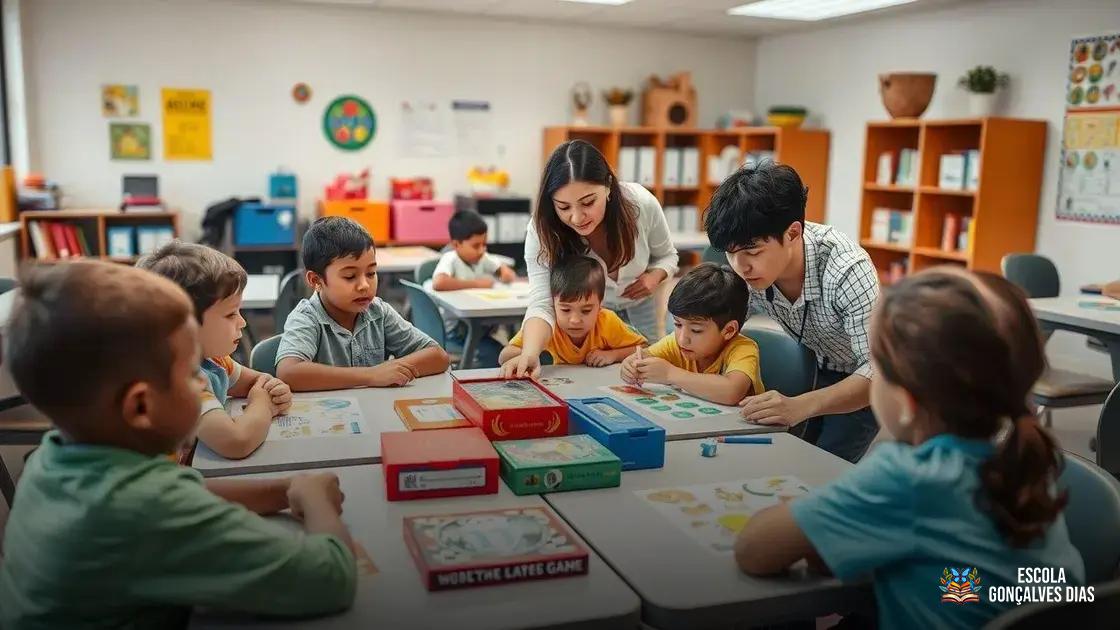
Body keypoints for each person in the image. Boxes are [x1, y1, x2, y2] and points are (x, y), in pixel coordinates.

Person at [0, 261, 356, 629]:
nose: (202, 385)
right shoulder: (143, 510)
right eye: (191, 375)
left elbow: (182, 488)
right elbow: (330, 578)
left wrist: (285, 489)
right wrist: (315, 499)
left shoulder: (53, 457)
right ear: (141, 406)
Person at [735, 268, 1085, 628]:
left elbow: (754, 551)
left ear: (905, 401)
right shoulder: (1024, 453)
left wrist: (811, 515)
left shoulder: (908, 474)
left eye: (876, 369)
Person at [706, 162, 880, 462]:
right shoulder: (748, 268)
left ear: (793, 233)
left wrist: (801, 406)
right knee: (776, 460)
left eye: (752, 252)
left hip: (858, 384)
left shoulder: (848, 271)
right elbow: (713, 326)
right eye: (731, 253)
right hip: (810, 368)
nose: (740, 266)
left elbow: (878, 372)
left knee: (820, 469)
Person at [502, 139, 678, 378]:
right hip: (591, 315)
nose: (576, 218)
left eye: (588, 203)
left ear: (607, 186)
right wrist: (531, 353)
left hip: (640, 303)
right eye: (563, 207)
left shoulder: (641, 204)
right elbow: (542, 301)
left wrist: (655, 277)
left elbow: (667, 255)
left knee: (647, 373)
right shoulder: (542, 229)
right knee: (592, 379)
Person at [138, 241, 292, 460]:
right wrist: (263, 405)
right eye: (231, 315)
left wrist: (274, 389)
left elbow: (256, 382)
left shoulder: (214, 361)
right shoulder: (177, 382)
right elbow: (237, 442)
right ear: (184, 327)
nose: (242, 323)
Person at [276, 216, 450, 391]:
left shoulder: (378, 312)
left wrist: (390, 370)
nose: (364, 285)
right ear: (316, 280)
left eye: (371, 273)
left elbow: (438, 356)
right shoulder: (307, 317)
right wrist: (371, 375)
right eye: (350, 276)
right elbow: (288, 372)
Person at [620, 263, 762, 405]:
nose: (682, 339)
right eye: (677, 324)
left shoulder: (743, 348)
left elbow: (732, 392)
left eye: (696, 330)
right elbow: (641, 357)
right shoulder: (675, 343)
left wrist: (670, 374)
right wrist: (630, 367)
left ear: (729, 330)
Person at [501, 255, 645, 367]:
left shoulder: (607, 321)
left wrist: (613, 355)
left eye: (586, 310)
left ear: (600, 304)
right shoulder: (544, 325)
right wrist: (533, 354)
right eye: (565, 309)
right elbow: (504, 356)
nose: (575, 320)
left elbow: (643, 349)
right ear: (552, 304)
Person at [431, 210, 517, 367]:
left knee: (509, 349)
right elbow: (439, 282)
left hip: (478, 326)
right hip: (456, 330)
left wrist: (504, 272)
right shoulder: (450, 258)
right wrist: (478, 283)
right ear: (456, 244)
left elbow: (505, 271)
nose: (482, 250)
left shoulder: (482, 258)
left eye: (484, 244)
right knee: (497, 353)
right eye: (476, 245)